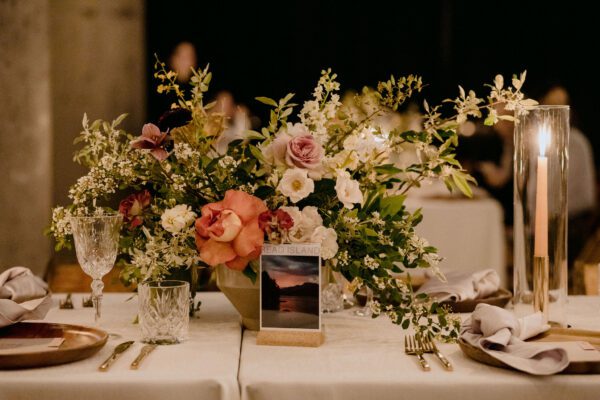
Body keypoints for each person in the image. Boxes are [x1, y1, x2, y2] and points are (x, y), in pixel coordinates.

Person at [540, 85, 597, 264]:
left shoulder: (576, 143)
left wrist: (548, 216)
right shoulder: (543, 142)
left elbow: (582, 196)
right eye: (548, 105)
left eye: (558, 105)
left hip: (570, 223)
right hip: (544, 221)